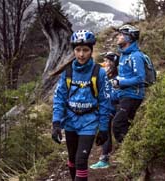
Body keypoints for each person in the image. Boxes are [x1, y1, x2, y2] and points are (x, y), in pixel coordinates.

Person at [51, 30, 111, 181]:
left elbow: (105, 102)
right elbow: (59, 98)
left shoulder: (99, 72)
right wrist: (56, 123)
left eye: (85, 50)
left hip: (89, 122)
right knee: (72, 159)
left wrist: (103, 128)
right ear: (74, 50)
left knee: (81, 160)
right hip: (70, 121)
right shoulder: (68, 72)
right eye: (78, 50)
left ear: (91, 50)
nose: (81, 54)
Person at [111, 24, 146, 143]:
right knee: (124, 125)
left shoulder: (136, 56)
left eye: (121, 35)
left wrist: (120, 82)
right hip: (123, 94)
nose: (118, 37)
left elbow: (140, 78)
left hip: (132, 95)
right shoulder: (123, 55)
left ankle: (129, 149)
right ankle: (132, 151)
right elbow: (124, 75)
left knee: (117, 125)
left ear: (129, 38)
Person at [90, 52, 120, 169]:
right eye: (105, 61)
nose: (105, 64)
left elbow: (115, 96)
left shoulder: (117, 79)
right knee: (104, 131)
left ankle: (105, 159)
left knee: (107, 132)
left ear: (113, 64)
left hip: (113, 109)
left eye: (108, 61)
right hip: (107, 108)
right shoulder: (107, 76)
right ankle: (104, 158)